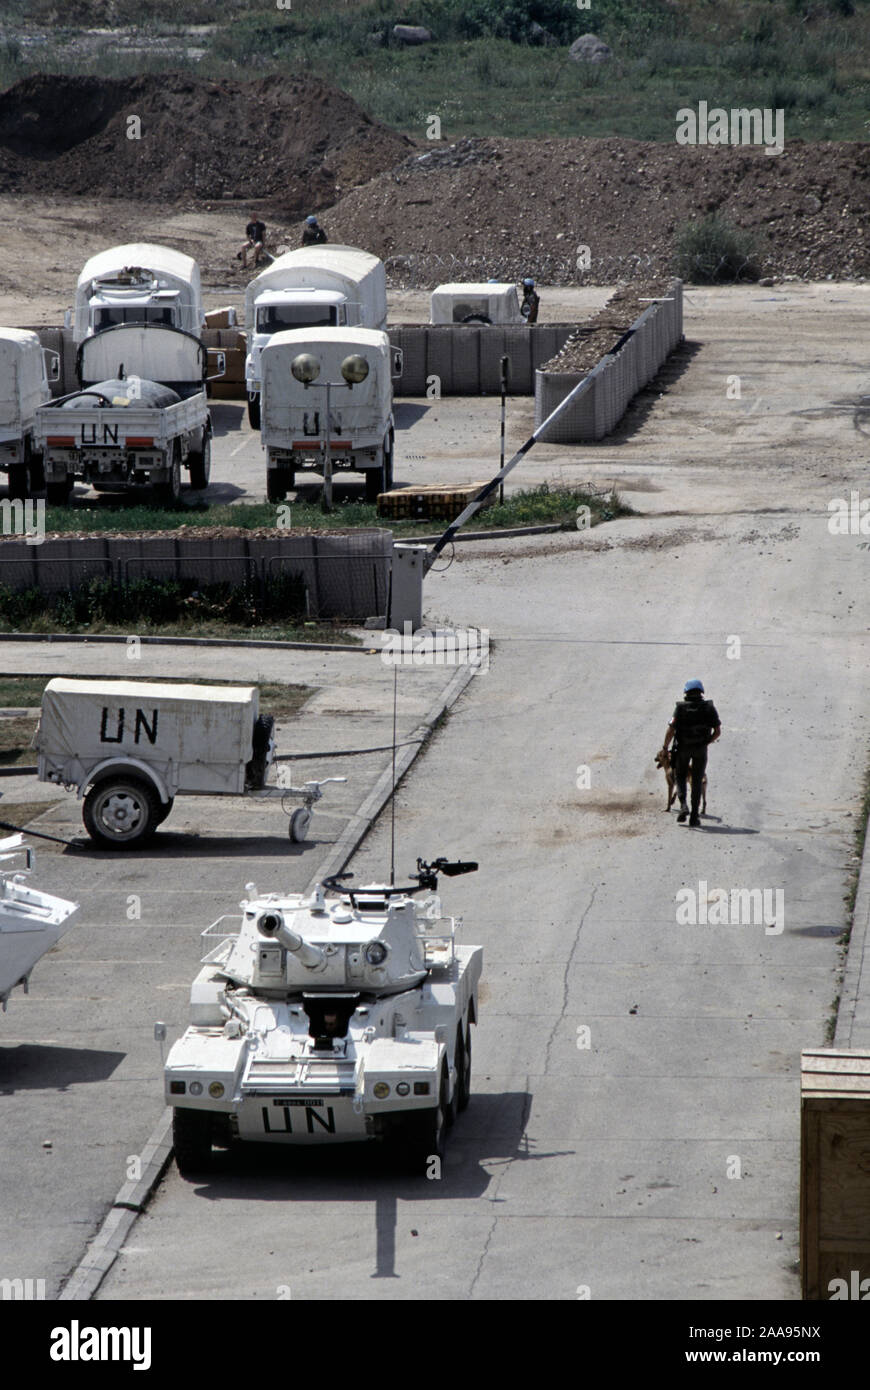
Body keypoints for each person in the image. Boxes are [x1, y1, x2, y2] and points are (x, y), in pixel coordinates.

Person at [662, 679, 721, 827]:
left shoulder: (680, 708)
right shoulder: (709, 707)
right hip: (700, 749)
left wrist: (665, 747)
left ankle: (683, 806)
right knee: (696, 779)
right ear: (701, 692)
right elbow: (717, 731)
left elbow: (671, 730)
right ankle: (694, 816)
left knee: (680, 776)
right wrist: (706, 742)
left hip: (683, 748)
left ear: (686, 693)